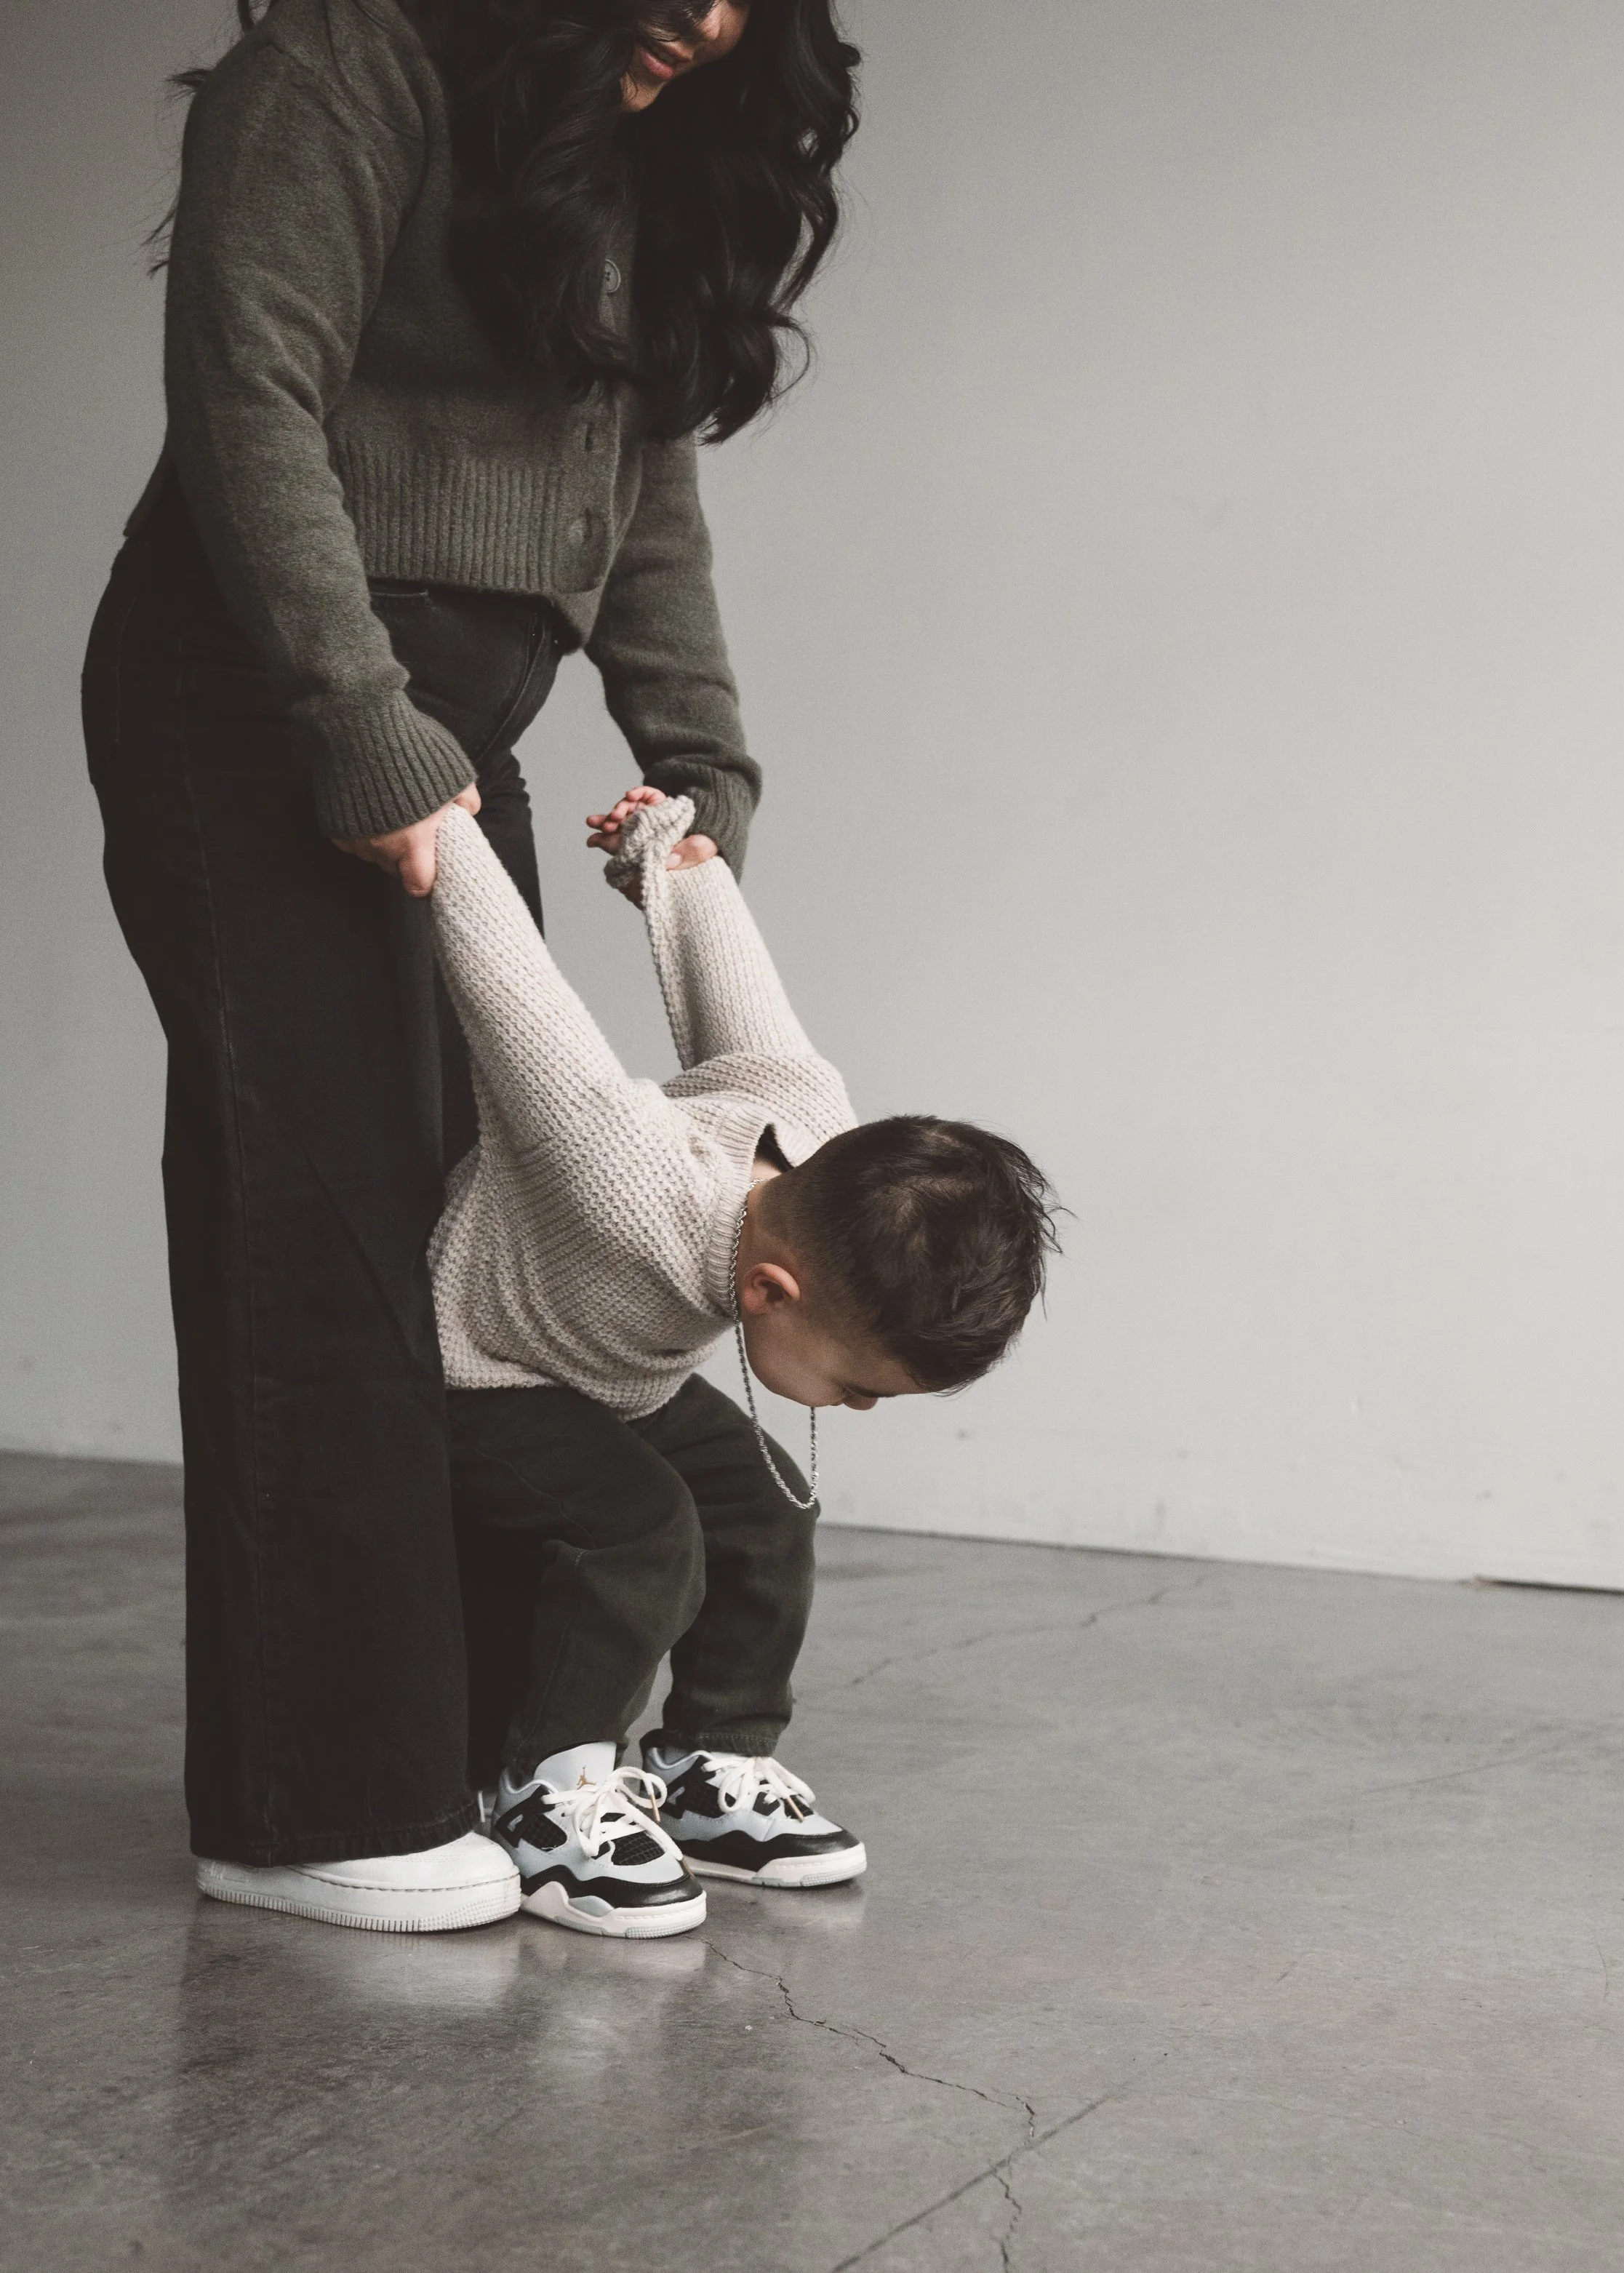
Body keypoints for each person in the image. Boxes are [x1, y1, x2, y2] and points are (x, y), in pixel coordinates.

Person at [81, 0, 860, 1933]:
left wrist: (696, 767)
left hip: (446, 736)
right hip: (262, 694)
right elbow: (245, 386)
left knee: (476, 1248)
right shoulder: (341, 63)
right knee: (327, 1236)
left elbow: (637, 478)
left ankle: (516, 1760)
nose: (701, 12)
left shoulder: (621, 146)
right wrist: (353, 720)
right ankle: (309, 1806)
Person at [423, 785, 1057, 1938]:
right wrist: (442, 825)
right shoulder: (620, 1169)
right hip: (484, 1367)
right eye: (860, 1384)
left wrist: (676, 865)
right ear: (774, 1292)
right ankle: (543, 1786)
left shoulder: (811, 1127)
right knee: (640, 1527)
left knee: (770, 1503)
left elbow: (745, 1010)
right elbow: (518, 998)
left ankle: (708, 1759)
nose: (858, 1406)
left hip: (616, 1377)